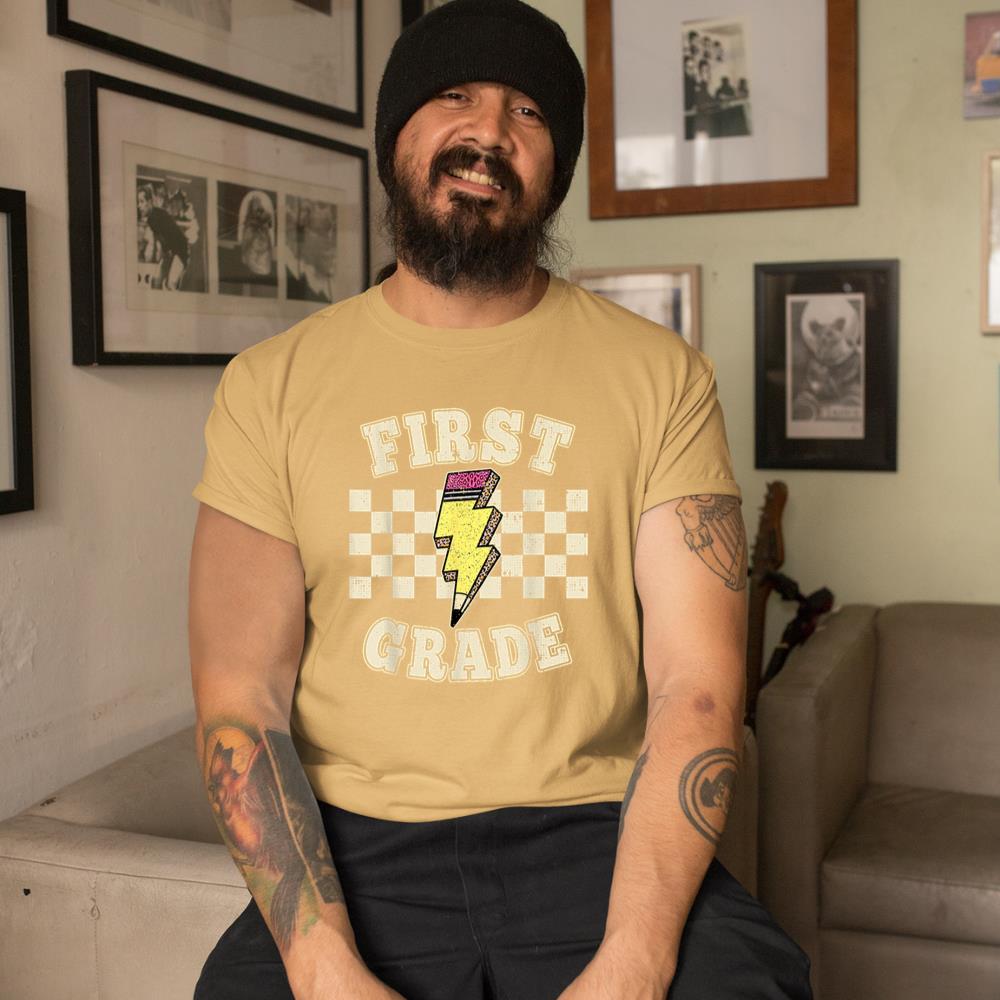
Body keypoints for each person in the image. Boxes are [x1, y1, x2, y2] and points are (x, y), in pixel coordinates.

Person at [188, 2, 813, 998]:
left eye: (527, 111)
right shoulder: (270, 385)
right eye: (454, 97)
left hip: (595, 832)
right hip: (356, 844)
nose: (488, 132)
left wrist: (635, 960)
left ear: (555, 168)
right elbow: (240, 699)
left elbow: (696, 685)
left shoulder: (662, 377)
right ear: (395, 137)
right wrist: (321, 966)